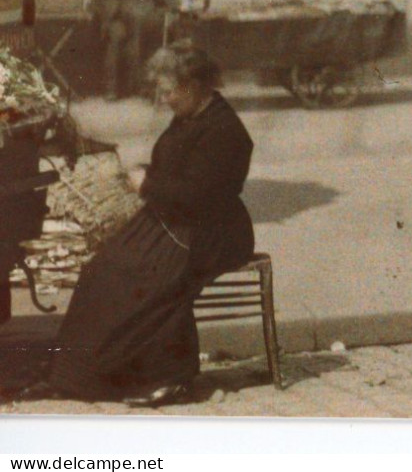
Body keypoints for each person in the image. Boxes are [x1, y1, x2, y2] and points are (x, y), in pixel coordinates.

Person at [45, 43, 255, 407]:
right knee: (104, 266)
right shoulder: (190, 116)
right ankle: (82, 375)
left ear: (193, 85)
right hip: (177, 220)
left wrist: (148, 182)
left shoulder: (225, 130)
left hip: (214, 230)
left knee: (149, 275)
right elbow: (178, 172)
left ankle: (171, 378)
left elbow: (201, 195)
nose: (163, 98)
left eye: (168, 90)